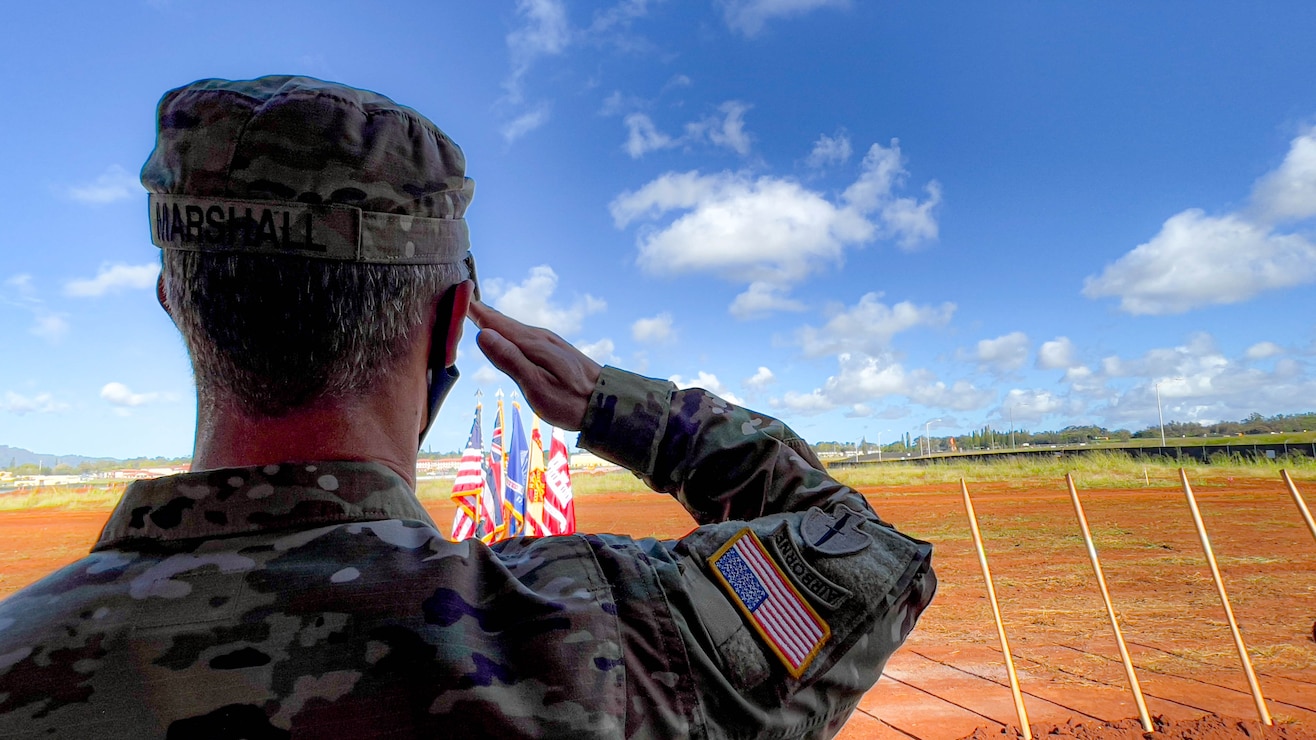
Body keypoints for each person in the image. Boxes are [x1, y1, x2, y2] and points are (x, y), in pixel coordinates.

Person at [0, 76, 934, 739]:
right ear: (454, 328)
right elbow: (862, 549)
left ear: (176, 305)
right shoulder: (595, 644)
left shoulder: (20, 657)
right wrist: (613, 404)